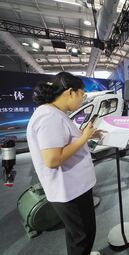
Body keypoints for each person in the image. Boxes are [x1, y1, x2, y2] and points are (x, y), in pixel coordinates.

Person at [27, 72, 103, 255]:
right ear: (70, 92)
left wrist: (86, 135)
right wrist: (84, 137)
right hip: (70, 191)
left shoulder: (53, 113)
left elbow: (65, 143)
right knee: (84, 235)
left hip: (71, 188)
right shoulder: (49, 117)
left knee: (75, 233)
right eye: (82, 95)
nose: (82, 99)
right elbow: (52, 159)